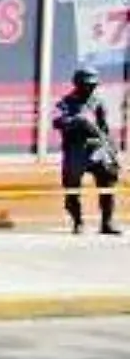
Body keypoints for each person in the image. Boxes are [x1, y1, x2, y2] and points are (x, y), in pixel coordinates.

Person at [53, 67, 120, 235]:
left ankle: (107, 223)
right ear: (77, 84)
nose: (90, 88)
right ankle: (78, 222)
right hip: (76, 151)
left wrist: (110, 148)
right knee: (72, 188)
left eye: (93, 85)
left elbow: (104, 128)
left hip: (97, 149)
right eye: (86, 85)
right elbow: (57, 122)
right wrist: (77, 121)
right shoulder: (66, 102)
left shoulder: (98, 102)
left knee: (108, 183)